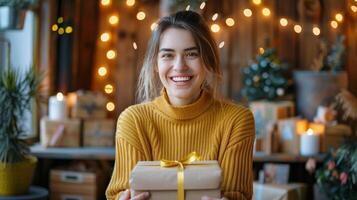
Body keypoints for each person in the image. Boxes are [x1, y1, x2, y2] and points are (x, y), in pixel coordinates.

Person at [106, 10, 255, 200]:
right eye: (168, 55)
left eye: (191, 54)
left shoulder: (237, 120)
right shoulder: (134, 120)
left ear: (207, 60)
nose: (179, 66)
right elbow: (119, 193)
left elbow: (237, 195)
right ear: (155, 63)